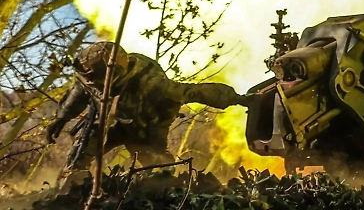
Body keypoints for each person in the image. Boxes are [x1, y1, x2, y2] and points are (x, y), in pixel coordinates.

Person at [46, 42, 248, 172]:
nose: (88, 83)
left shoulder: (152, 83)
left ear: (112, 75)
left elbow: (193, 92)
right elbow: (78, 93)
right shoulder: (90, 78)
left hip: (146, 126)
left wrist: (236, 99)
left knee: (157, 167)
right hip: (109, 122)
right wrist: (61, 118)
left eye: (92, 80)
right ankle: (72, 192)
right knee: (80, 155)